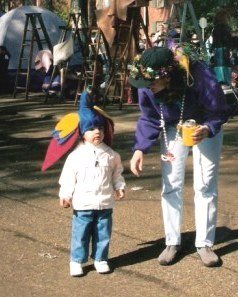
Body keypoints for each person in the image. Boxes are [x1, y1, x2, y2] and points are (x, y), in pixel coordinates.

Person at [128, 46, 232, 267]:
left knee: (205, 184)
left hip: (204, 123)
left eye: (152, 83)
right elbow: (149, 117)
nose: (147, 88)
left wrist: (208, 128)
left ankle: (204, 243)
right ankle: (172, 241)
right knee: (171, 183)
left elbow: (220, 110)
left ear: (166, 75)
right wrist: (140, 148)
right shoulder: (146, 81)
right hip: (173, 126)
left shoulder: (199, 75)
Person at [42, 89, 126, 276]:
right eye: (91, 129)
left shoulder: (111, 155)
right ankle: (77, 261)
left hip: (105, 203)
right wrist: (65, 194)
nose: (97, 132)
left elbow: (117, 174)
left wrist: (119, 187)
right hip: (83, 204)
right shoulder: (76, 156)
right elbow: (68, 178)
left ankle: (100, 258)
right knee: (80, 234)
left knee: (103, 234)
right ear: (82, 133)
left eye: (100, 128)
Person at [211, 8, 232, 88]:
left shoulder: (215, 28)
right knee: (225, 65)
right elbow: (227, 40)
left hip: (218, 49)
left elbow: (215, 40)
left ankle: (220, 81)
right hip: (223, 49)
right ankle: (225, 81)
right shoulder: (225, 28)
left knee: (219, 65)